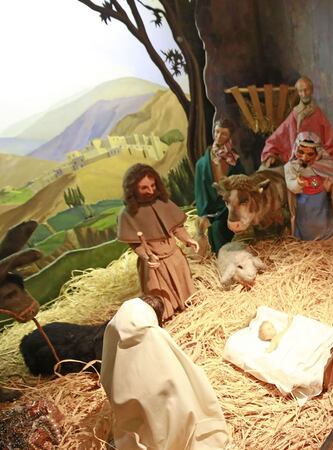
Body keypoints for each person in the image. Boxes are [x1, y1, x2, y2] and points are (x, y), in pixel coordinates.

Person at [101, 297, 231, 450]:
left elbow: (110, 384)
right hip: (173, 422)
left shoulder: (113, 344)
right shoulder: (154, 337)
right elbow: (180, 376)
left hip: (140, 430)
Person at [117, 164, 199, 321]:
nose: (151, 191)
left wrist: (187, 239)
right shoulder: (127, 215)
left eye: (153, 185)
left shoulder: (164, 203)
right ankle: (168, 315)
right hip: (155, 263)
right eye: (144, 188)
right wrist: (148, 257)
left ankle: (187, 304)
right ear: (133, 189)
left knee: (183, 285)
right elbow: (136, 244)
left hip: (174, 257)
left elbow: (176, 228)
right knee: (161, 293)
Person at [195, 117, 247, 253]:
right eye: (217, 132)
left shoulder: (234, 160)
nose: (219, 136)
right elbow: (200, 193)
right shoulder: (202, 164)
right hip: (213, 211)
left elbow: (242, 183)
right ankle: (222, 257)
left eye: (223, 133)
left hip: (230, 208)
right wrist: (203, 214)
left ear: (229, 136)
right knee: (216, 231)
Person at [261, 76, 333, 167]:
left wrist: (322, 156)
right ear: (298, 92)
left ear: (312, 90)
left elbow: (330, 139)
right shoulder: (295, 114)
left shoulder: (318, 113)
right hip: (297, 160)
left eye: (306, 90)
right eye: (301, 91)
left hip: (316, 160)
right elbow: (279, 135)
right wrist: (270, 152)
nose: (304, 94)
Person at [283, 131, 333, 240]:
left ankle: (325, 237)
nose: (304, 157)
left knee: (322, 220)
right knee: (305, 222)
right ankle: (305, 238)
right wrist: (298, 183)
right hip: (303, 201)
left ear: (318, 153)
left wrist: (329, 185)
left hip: (321, 202)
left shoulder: (325, 165)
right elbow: (290, 184)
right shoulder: (291, 167)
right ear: (296, 149)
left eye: (310, 154)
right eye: (301, 152)